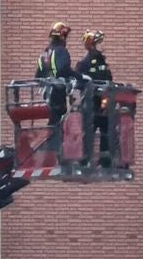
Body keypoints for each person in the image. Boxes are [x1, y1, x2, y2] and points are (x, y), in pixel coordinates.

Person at [35, 22, 81, 151]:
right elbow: (63, 69)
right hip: (58, 91)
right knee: (59, 119)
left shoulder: (46, 52)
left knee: (53, 119)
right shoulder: (61, 51)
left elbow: (38, 74)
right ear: (62, 36)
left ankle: (50, 147)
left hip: (47, 92)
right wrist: (79, 76)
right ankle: (54, 148)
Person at [76, 29, 115, 167]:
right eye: (97, 43)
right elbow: (79, 83)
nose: (100, 46)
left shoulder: (100, 62)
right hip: (92, 103)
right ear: (91, 44)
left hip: (100, 103)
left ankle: (101, 159)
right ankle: (87, 159)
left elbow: (109, 80)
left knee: (101, 130)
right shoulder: (85, 63)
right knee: (91, 131)